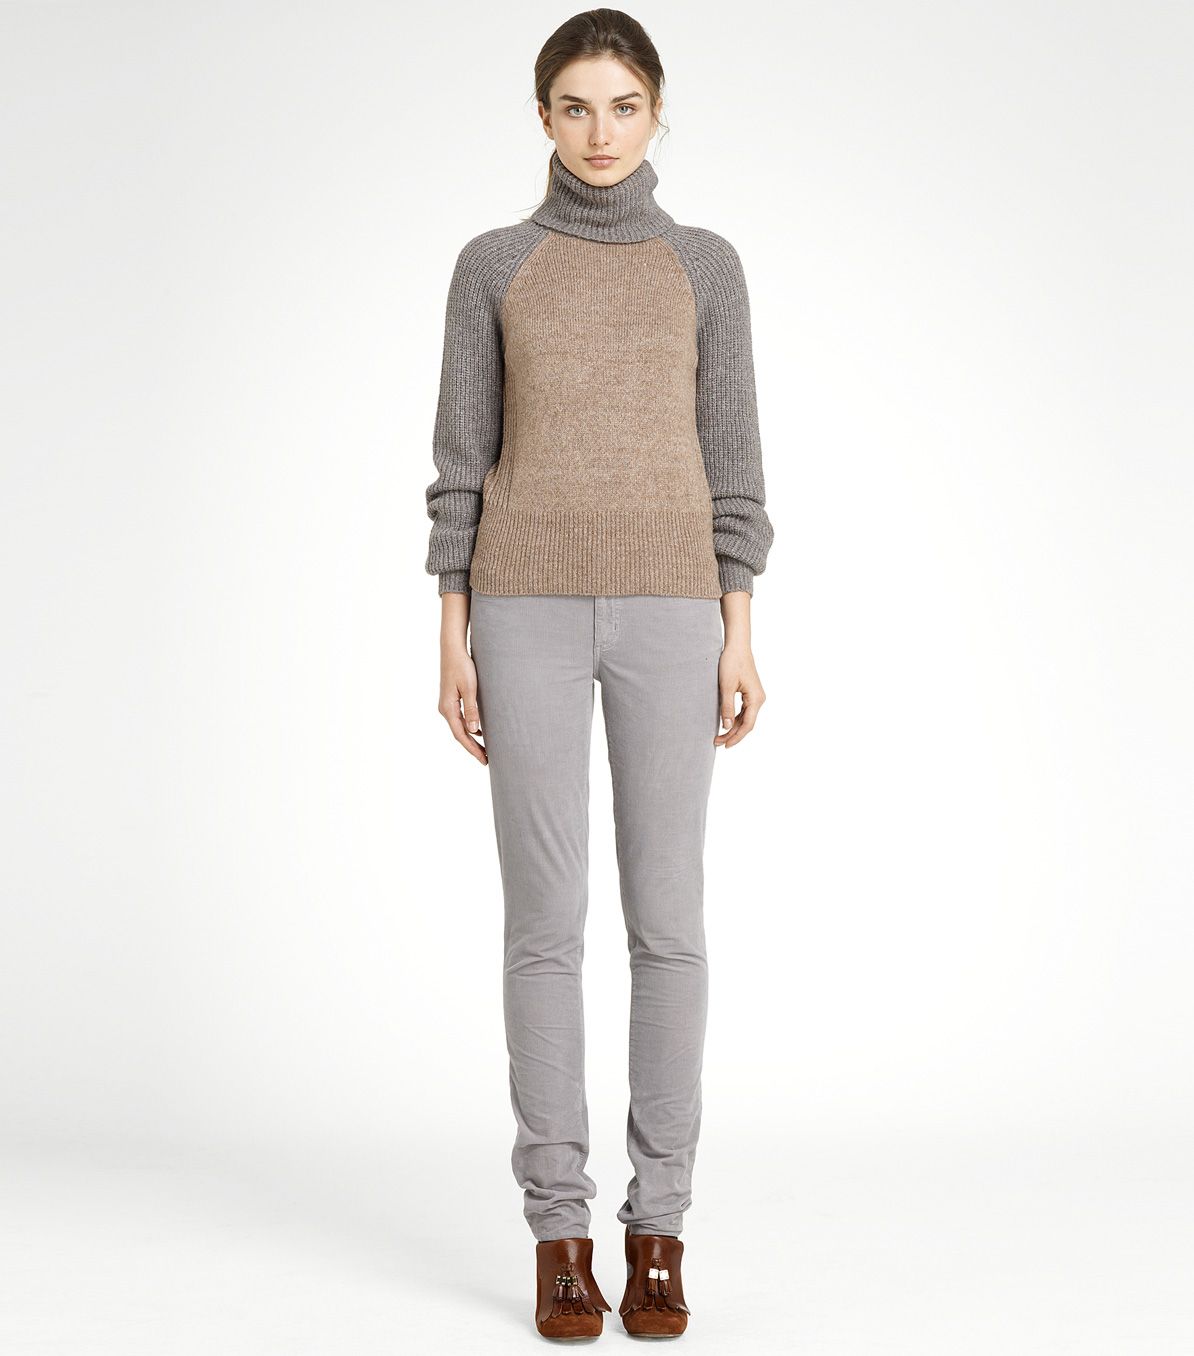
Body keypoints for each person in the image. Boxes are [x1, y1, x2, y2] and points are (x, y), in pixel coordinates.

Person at [424, 8, 775, 1340]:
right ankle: (558, 1234)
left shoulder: (704, 267)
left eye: (623, 105)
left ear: (656, 110)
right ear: (543, 118)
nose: (600, 131)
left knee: (668, 924)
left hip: (676, 608)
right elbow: (460, 460)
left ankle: (660, 1228)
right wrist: (450, 631)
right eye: (575, 105)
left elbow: (732, 458)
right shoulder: (494, 265)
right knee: (544, 926)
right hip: (520, 605)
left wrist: (738, 625)